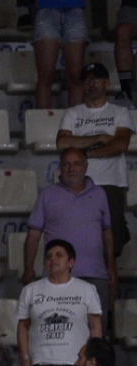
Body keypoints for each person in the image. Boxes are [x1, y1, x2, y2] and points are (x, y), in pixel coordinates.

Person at [24, 154, 116, 318]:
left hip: (96, 276)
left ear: (86, 166)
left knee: (96, 337)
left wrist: (110, 266)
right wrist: (28, 267)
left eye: (77, 164)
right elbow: (33, 235)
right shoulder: (47, 194)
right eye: (66, 164)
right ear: (60, 167)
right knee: (60, 331)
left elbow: (107, 233)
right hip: (58, 277)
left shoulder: (100, 194)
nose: (71, 169)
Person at [59, 65, 133, 258]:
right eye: (87, 80)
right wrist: (99, 137)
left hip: (111, 183)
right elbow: (62, 143)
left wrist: (82, 155)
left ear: (107, 83)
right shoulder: (72, 113)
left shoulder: (120, 112)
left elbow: (120, 145)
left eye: (97, 79)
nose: (92, 83)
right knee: (77, 245)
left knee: (111, 251)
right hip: (78, 185)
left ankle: (109, 288)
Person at [34, 0, 90, 110]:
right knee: (46, 76)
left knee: (76, 75)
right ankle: (43, 124)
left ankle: (76, 124)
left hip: (75, 10)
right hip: (46, 10)